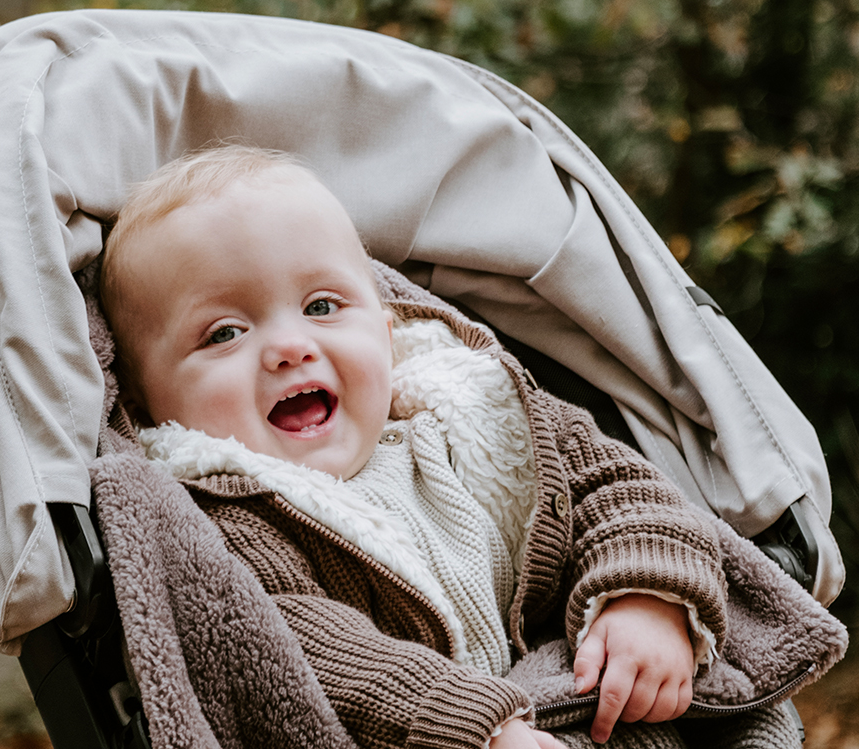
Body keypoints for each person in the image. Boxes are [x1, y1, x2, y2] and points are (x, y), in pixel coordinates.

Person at [97, 144, 837, 749]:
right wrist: (476, 726)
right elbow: (307, 650)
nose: (290, 347)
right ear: (145, 402)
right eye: (224, 333)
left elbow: (621, 486)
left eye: (321, 306)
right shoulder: (221, 514)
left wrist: (644, 595)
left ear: (388, 331)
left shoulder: (478, 416)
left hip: (601, 697)